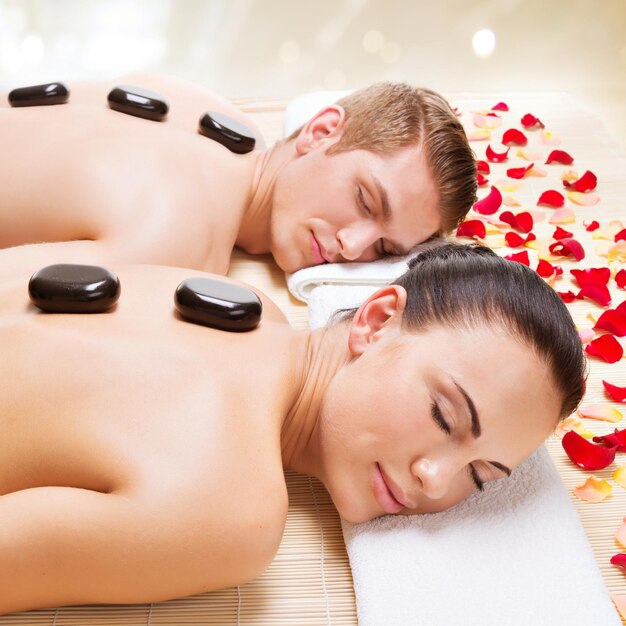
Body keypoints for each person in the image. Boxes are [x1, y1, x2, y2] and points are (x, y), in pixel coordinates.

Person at [0, 243, 585, 614]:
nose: (433, 479)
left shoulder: (242, 302)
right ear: (377, 321)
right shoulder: (233, 512)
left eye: (481, 476)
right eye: (444, 417)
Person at [0, 73, 476, 278]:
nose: (353, 248)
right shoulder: (182, 238)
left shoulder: (220, 118)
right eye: (366, 202)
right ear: (322, 130)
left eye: (385, 249)